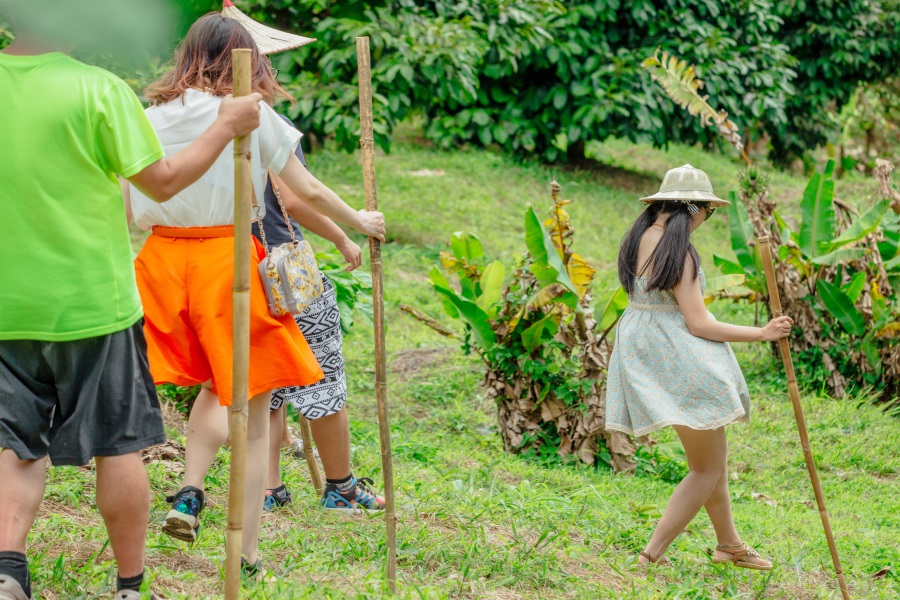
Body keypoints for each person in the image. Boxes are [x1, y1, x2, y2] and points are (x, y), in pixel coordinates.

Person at [0, 8, 263, 600]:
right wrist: (225, 126)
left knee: (14, 446)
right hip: (93, 304)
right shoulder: (98, 90)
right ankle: (128, 585)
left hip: (6, 305)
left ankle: (8, 569)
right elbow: (164, 182)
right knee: (119, 448)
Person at [127, 13, 386, 574]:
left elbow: (126, 203)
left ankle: (191, 491)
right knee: (251, 401)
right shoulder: (247, 113)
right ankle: (244, 553)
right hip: (226, 257)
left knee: (214, 386)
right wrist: (358, 224)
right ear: (245, 58)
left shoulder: (145, 118)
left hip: (160, 262)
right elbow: (304, 187)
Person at [605, 164, 793, 569]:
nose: (707, 218)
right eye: (708, 211)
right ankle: (649, 556)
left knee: (712, 461)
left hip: (646, 351)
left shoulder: (640, 236)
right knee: (705, 468)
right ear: (694, 208)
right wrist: (763, 333)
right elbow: (699, 323)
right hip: (679, 358)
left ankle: (730, 545)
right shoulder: (678, 251)